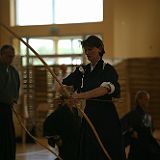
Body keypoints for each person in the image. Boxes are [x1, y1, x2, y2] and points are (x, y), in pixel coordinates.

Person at [62, 35, 126, 160]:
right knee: (89, 151)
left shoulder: (108, 70)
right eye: (85, 50)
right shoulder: (83, 70)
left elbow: (103, 90)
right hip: (89, 116)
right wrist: (67, 92)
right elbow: (65, 83)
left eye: (90, 49)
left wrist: (80, 96)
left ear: (100, 49)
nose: (87, 53)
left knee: (105, 150)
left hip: (106, 119)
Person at [43, 86, 81, 160]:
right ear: (66, 99)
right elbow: (48, 124)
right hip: (66, 142)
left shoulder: (75, 110)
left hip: (75, 142)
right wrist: (56, 138)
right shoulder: (60, 112)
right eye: (71, 97)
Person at [121, 90, 160, 160]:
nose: (148, 101)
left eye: (148, 99)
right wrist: (130, 132)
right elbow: (120, 128)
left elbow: (151, 133)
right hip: (136, 152)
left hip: (147, 152)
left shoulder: (149, 117)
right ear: (139, 100)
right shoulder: (131, 116)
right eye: (145, 99)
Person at [0, 44, 20, 160]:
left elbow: (16, 85)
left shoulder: (13, 71)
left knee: (8, 137)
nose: (10, 58)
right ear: (1, 55)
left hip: (7, 108)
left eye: (12, 56)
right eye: (8, 56)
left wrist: (14, 98)